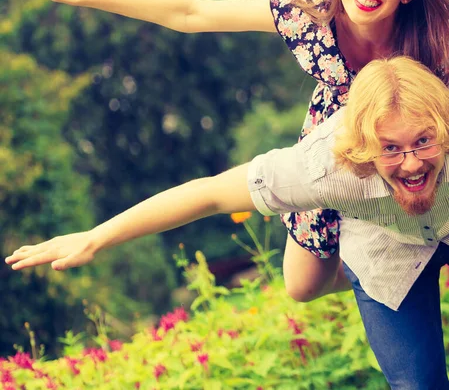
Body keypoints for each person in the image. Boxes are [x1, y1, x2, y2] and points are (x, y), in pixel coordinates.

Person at [15, 0, 449, 304]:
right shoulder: (309, 15)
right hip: (334, 142)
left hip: (416, 149)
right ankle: (378, 269)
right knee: (301, 287)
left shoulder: (432, 39)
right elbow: (192, 13)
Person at [7, 55, 449, 390]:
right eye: (390, 149)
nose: (411, 164)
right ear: (365, 148)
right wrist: (95, 237)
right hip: (385, 256)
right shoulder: (323, 165)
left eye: (424, 142)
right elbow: (211, 193)